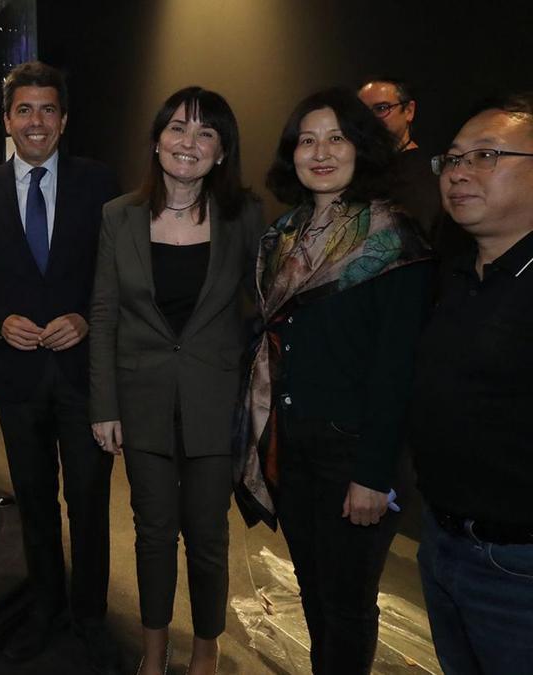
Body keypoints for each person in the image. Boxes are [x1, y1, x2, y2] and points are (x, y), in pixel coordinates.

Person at [235, 87, 432, 675]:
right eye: (307, 140)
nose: (320, 152)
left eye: (337, 138)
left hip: (354, 452)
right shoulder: (284, 235)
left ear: (362, 147)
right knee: (312, 587)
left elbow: (397, 368)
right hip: (290, 442)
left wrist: (373, 475)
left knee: (346, 603)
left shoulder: (393, 239)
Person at [0, 61, 120, 673]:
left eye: (48, 109)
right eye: (24, 110)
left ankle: (93, 620)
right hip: (17, 378)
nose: (37, 121)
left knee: (89, 503)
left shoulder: (101, 185)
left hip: (83, 376)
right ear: (7, 120)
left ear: (64, 119)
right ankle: (44, 610)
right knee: (33, 501)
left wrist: (82, 316)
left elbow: (117, 273)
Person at [89, 87, 263, 675]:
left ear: (221, 151)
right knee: (154, 532)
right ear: (157, 140)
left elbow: (267, 306)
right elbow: (105, 313)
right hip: (141, 402)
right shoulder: (120, 215)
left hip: (216, 400)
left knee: (210, 537)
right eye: (178, 129)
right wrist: (103, 404)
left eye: (205, 133)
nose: (189, 143)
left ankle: (206, 651)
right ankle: (155, 648)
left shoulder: (245, 217)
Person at [410, 92, 533, 675]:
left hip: (516, 570)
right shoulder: (455, 274)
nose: (459, 172)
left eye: (486, 155)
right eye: (452, 159)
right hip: (442, 547)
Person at [357, 77, 445, 245]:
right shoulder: (356, 170)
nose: (371, 120)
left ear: (409, 111)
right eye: (362, 113)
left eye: (381, 108)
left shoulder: (428, 173)